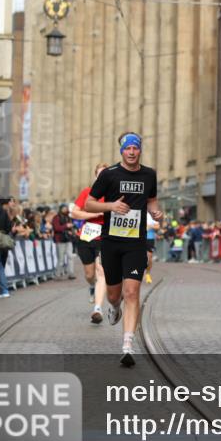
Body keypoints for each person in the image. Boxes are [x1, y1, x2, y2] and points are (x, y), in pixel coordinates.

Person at [84, 132, 162, 367]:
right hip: (111, 242)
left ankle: (127, 344)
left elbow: (151, 200)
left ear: (139, 151)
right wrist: (111, 206)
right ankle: (114, 307)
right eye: (127, 149)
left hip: (135, 243)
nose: (131, 152)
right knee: (114, 295)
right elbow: (89, 203)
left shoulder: (149, 174)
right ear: (121, 151)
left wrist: (156, 212)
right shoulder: (109, 175)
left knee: (132, 293)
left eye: (135, 148)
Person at [72, 163, 110, 323]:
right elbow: (74, 212)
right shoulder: (87, 192)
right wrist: (93, 214)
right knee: (89, 274)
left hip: (104, 238)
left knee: (101, 272)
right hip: (86, 237)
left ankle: (98, 309)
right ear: (95, 176)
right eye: (99, 174)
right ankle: (92, 287)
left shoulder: (113, 194)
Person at [52, 204, 76, 280]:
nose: (65, 210)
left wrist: (72, 230)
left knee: (70, 256)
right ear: (60, 209)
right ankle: (58, 274)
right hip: (60, 240)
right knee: (61, 258)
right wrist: (66, 226)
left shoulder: (68, 217)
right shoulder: (56, 217)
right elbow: (56, 228)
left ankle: (71, 273)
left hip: (68, 239)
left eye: (66, 208)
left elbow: (72, 226)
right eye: (64, 208)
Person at [145, 214, 158, 283]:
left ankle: (148, 274)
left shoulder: (151, 213)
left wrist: (150, 226)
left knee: (149, 257)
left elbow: (157, 226)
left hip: (149, 238)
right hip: (138, 238)